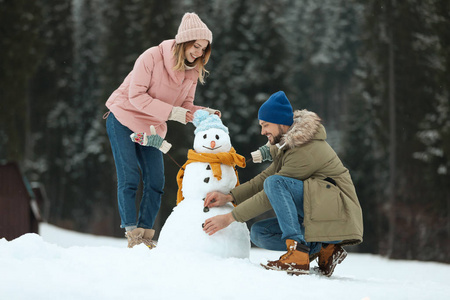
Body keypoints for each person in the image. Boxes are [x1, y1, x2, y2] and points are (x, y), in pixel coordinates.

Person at [202, 91, 363, 276]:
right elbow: (265, 178)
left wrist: (230, 218)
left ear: (281, 122)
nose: (262, 131)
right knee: (260, 233)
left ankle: (298, 253)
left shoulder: (305, 150)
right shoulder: (288, 145)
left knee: (275, 184)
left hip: (339, 210)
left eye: (265, 125)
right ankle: (323, 248)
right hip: (319, 206)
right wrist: (230, 196)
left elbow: (271, 191)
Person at [104, 12, 220, 249]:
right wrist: (172, 113)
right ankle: (132, 233)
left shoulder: (194, 70)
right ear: (183, 42)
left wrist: (202, 112)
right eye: (195, 46)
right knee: (130, 177)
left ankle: (146, 235)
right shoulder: (151, 57)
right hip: (123, 117)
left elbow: (185, 105)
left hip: (152, 128)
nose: (198, 52)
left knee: (156, 180)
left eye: (204, 48)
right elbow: (136, 96)